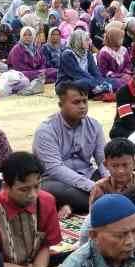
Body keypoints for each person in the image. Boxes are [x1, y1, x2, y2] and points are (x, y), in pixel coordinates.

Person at [33, 80, 107, 214]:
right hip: (56, 181)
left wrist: (109, 182)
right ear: (61, 105)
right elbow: (55, 169)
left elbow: (103, 160)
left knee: (122, 179)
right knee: (46, 191)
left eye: (85, 101)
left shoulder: (94, 126)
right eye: (76, 102)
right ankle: (98, 201)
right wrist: (93, 187)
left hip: (88, 175)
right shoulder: (46, 130)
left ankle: (72, 205)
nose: (83, 106)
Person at [58, 29, 114, 98]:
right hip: (68, 83)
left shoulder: (87, 53)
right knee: (84, 83)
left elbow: (95, 72)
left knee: (112, 81)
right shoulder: (67, 54)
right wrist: (96, 83)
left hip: (87, 81)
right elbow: (77, 74)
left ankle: (96, 90)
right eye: (86, 40)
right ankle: (98, 90)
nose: (89, 42)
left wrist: (101, 82)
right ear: (78, 41)